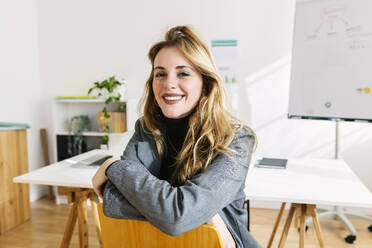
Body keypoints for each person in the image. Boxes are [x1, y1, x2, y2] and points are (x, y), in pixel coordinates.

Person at [92, 25, 261, 248]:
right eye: (160, 74)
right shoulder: (146, 129)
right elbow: (112, 199)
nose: (169, 84)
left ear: (205, 82)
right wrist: (198, 215)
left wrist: (113, 167)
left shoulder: (237, 139)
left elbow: (178, 218)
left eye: (183, 73)